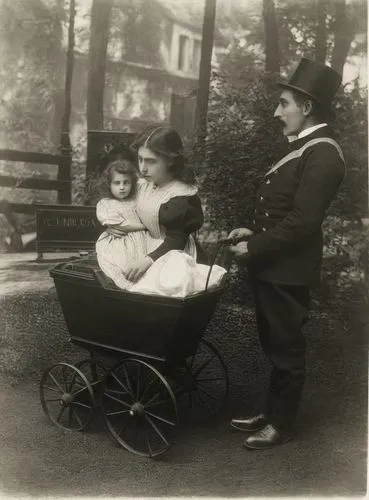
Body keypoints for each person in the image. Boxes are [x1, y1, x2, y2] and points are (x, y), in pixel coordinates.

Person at [227, 58, 346, 449]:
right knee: (275, 344)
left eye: (284, 104)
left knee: (287, 348)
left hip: (288, 270)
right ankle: (273, 411)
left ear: (306, 107)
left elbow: (303, 221)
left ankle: (283, 424)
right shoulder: (306, 148)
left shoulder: (323, 152)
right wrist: (253, 231)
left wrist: (255, 245)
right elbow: (284, 212)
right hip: (275, 266)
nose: (277, 112)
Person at [126, 125, 226, 296]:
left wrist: (148, 260)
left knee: (155, 291)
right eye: (140, 159)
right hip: (143, 246)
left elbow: (176, 239)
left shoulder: (181, 195)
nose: (143, 168)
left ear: (171, 160)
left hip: (172, 254)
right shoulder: (143, 185)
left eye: (151, 161)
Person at [95, 159, 150, 290]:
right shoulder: (106, 203)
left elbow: (144, 182)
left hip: (143, 240)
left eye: (126, 182)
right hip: (121, 241)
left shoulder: (135, 199)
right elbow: (122, 226)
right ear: (109, 184)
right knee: (124, 265)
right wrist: (145, 226)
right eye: (117, 183)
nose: (122, 187)